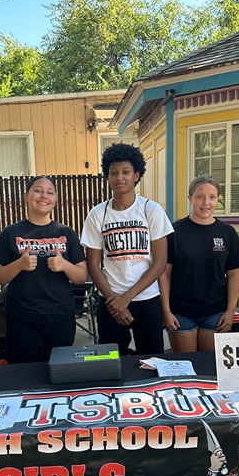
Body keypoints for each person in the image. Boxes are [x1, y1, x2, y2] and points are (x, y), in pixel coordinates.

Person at [80, 143, 173, 356]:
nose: (119, 177)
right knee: (112, 360)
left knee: (151, 359)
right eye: (114, 173)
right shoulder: (97, 214)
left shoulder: (151, 210)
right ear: (107, 176)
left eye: (125, 172)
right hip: (110, 300)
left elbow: (160, 263)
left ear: (136, 175)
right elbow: (93, 264)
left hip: (146, 298)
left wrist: (126, 298)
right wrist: (114, 301)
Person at [0, 176, 87, 363]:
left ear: (55, 199)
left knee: (58, 372)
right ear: (26, 196)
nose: (44, 196)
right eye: (37, 190)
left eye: (50, 192)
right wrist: (19, 265)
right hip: (22, 320)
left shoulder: (66, 233)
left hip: (61, 318)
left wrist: (64, 265)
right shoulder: (11, 232)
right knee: (26, 373)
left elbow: (81, 276)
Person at [159, 174, 239, 353]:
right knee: (186, 365)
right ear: (190, 198)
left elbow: (234, 274)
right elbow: (164, 274)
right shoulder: (174, 231)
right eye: (200, 196)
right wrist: (166, 311)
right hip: (180, 312)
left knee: (210, 365)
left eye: (212, 197)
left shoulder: (227, 233)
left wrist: (230, 311)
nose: (206, 202)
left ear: (218, 199)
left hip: (216, 312)